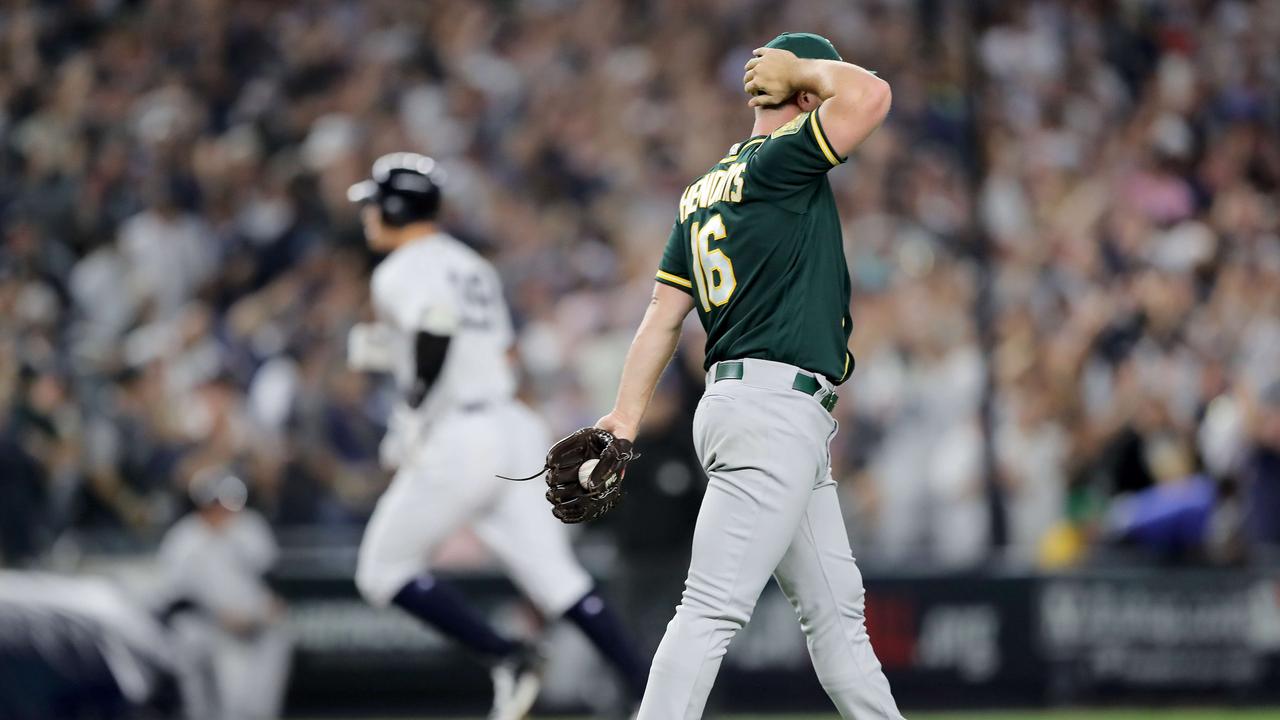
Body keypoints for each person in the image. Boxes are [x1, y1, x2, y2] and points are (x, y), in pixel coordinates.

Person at [592, 34, 903, 718]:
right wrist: (815, 70)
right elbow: (872, 95)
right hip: (772, 409)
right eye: (815, 87)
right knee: (710, 608)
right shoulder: (780, 161)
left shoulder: (701, 190)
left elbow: (660, 319)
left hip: (756, 407)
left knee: (837, 618)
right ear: (803, 94)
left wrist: (623, 416)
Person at [345, 153, 647, 719]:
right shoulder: (470, 264)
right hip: (511, 425)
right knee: (558, 582)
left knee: (381, 571)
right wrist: (393, 352)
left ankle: (506, 655)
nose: (366, 216)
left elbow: (435, 325)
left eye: (372, 204)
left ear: (392, 207)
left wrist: (413, 410)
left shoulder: (398, 269)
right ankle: (654, 695)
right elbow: (484, 346)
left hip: (463, 432)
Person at [157, 469, 292, 720]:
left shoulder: (250, 527)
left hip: (256, 627)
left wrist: (270, 605)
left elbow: (272, 576)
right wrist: (218, 617)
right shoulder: (183, 539)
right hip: (207, 629)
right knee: (225, 706)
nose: (224, 509)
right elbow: (174, 599)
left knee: (257, 707)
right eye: (217, 502)